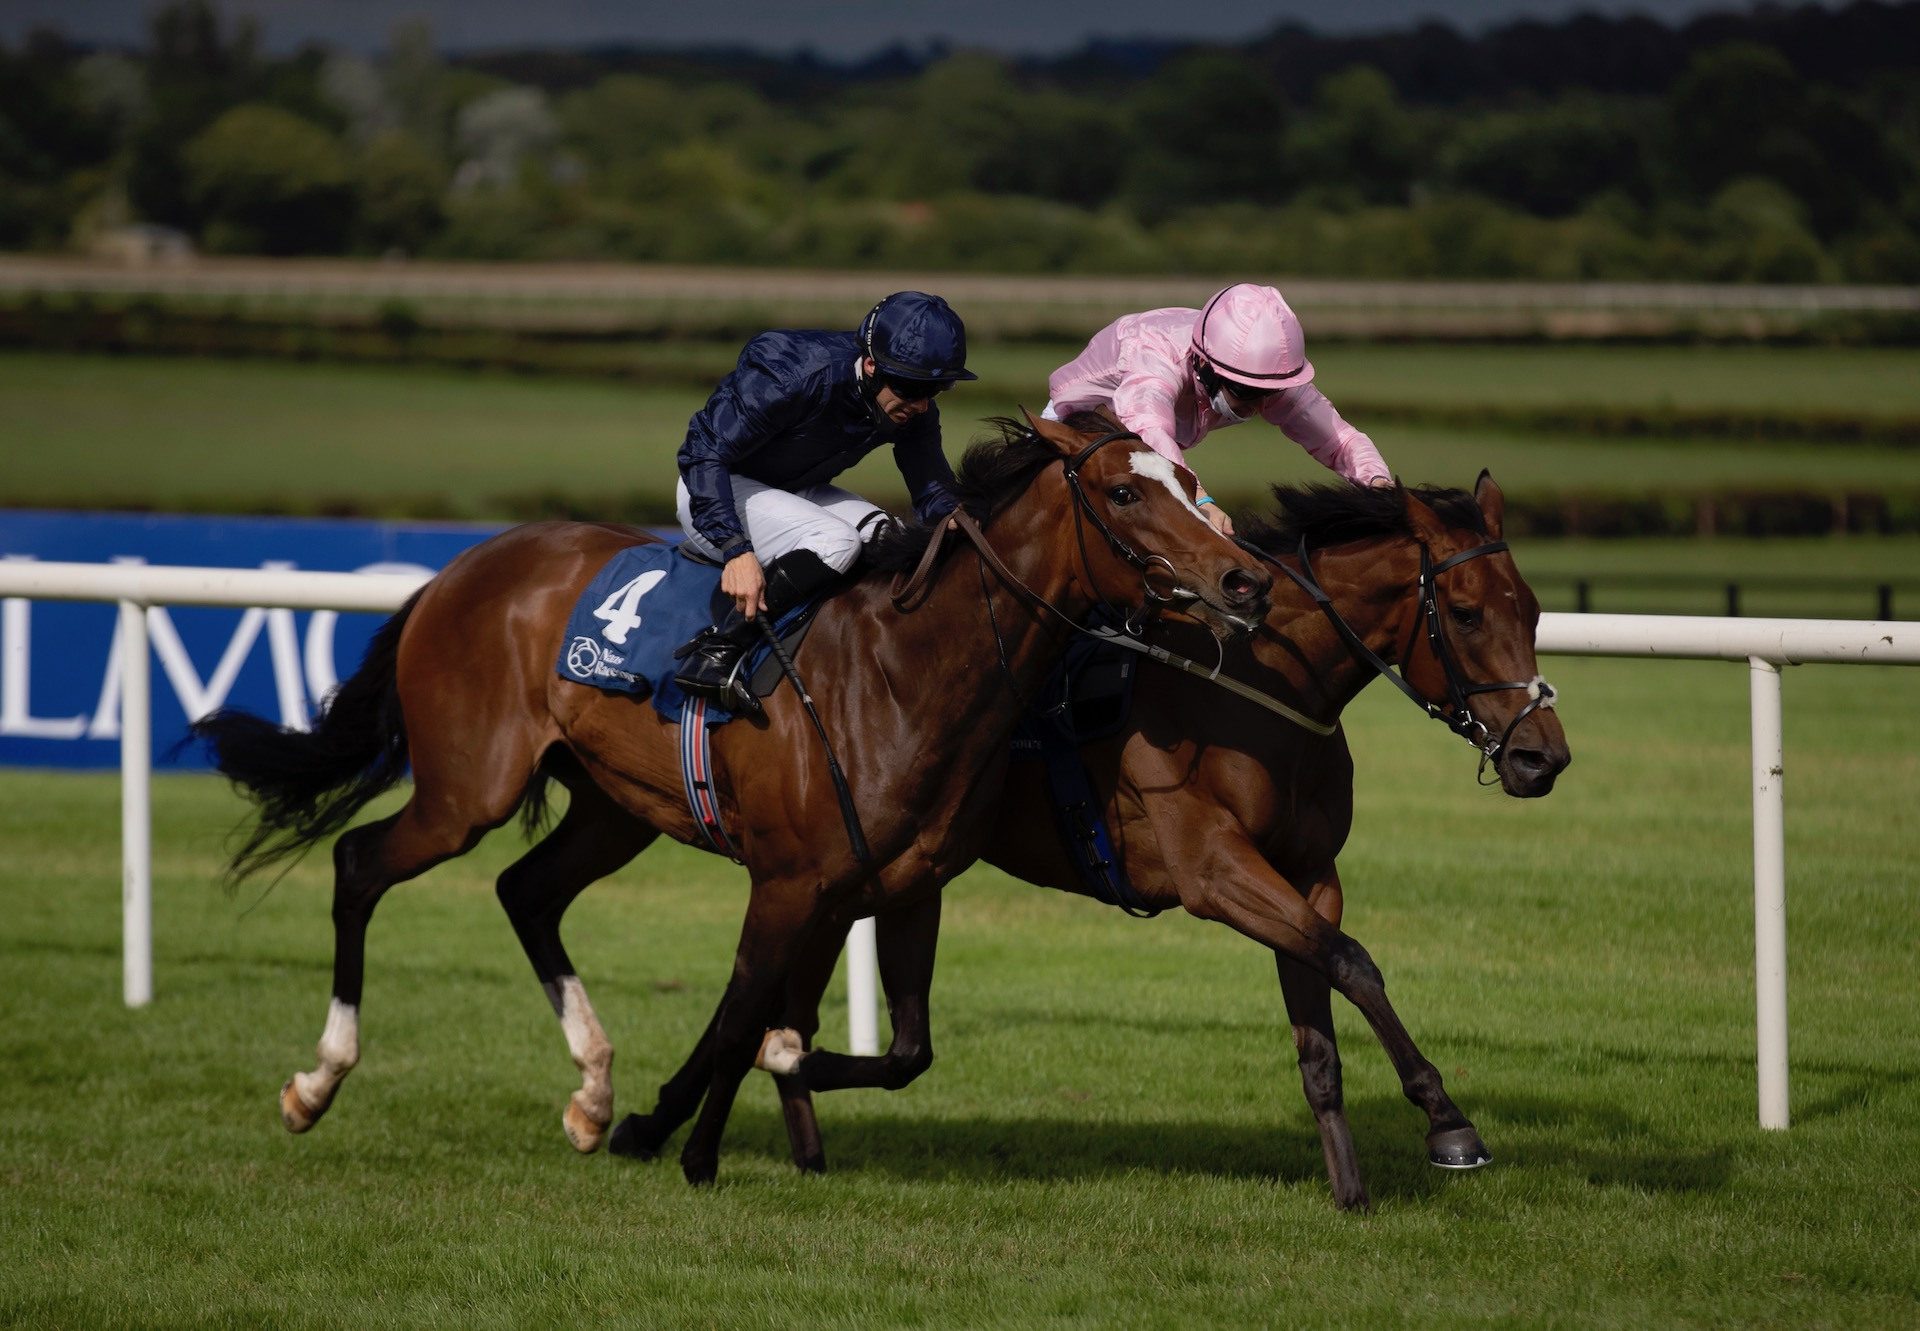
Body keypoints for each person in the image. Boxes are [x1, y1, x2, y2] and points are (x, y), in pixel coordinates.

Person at [672, 290, 976, 714]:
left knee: (889, 536)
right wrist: (735, 549)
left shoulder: (913, 406)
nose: (921, 403)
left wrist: (954, 517)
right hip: (714, 487)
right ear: (870, 366)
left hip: (793, 489)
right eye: (911, 388)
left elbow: (930, 482)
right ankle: (718, 649)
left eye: (936, 389)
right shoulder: (792, 374)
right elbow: (703, 451)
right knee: (837, 541)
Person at [1045, 283, 1389, 537]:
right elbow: (1149, 431)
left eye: (1271, 392)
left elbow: (1341, 440)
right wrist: (1201, 499)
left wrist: (1380, 487)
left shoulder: (1267, 373)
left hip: (1155, 448)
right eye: (1247, 392)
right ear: (1203, 367)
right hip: (1078, 425)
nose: (1259, 405)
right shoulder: (1153, 354)